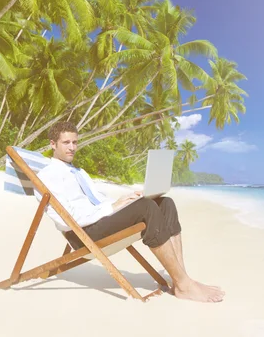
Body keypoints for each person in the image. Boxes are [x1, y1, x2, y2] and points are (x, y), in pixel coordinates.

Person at [35, 121, 225, 303]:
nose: (72, 147)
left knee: (164, 203)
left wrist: (124, 202)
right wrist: (112, 208)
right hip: (83, 233)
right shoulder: (47, 175)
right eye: (66, 142)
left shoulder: (78, 172)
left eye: (75, 142)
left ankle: (182, 280)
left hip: (100, 221)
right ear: (53, 144)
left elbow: (98, 202)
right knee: (147, 207)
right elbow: (67, 219)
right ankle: (184, 286)